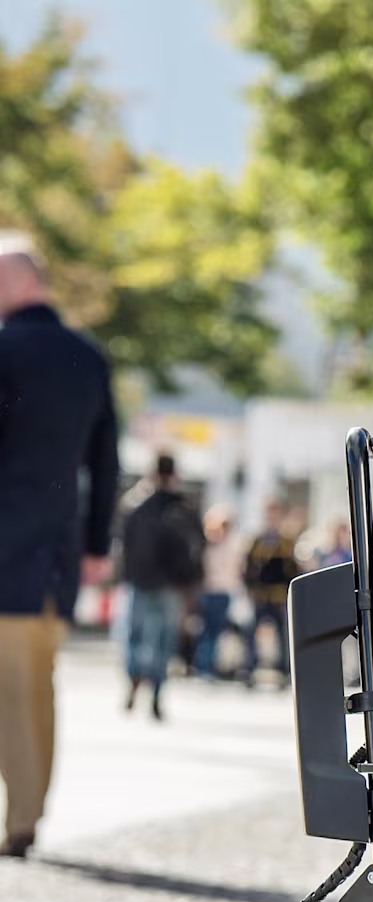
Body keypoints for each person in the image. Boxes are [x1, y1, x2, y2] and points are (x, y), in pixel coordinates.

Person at [0, 234, 119, 858]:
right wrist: (97, 544)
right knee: (37, 686)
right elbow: (106, 460)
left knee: (13, 690)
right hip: (59, 558)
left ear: (18, 282)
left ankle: (20, 820)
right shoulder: (88, 356)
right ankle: (29, 810)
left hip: (7, 554)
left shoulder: (3, 349)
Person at [118, 453, 205, 718]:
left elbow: (124, 544)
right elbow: (198, 546)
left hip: (140, 581)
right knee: (163, 640)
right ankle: (155, 689)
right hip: (172, 585)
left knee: (134, 635)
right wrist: (193, 584)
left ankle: (135, 678)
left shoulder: (136, 506)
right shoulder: (184, 508)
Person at [242, 498, 300, 685]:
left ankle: (285, 671)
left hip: (278, 595)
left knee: (283, 635)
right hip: (261, 595)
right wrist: (250, 588)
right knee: (251, 632)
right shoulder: (258, 541)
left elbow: (292, 569)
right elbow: (249, 568)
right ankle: (249, 668)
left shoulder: (286, 542)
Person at [194, 506, 242, 680]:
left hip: (223, 592)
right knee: (208, 631)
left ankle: (208, 666)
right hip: (210, 592)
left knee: (214, 632)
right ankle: (203, 667)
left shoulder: (232, 545)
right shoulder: (207, 545)